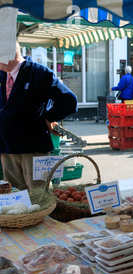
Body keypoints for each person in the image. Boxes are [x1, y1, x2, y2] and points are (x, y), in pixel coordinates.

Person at [0, 41, 77, 190]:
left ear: (7, 55)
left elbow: (69, 100)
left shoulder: (39, 73)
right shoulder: (2, 75)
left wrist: (49, 117)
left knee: (39, 195)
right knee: (15, 197)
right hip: (7, 147)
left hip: (32, 148)